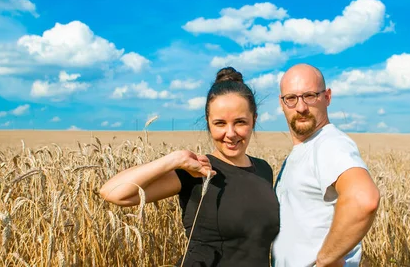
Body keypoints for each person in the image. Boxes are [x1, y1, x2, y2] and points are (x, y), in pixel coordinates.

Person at [100, 67, 280, 267]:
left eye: (240, 122)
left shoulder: (264, 169)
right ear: (208, 123)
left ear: (254, 120)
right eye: (220, 123)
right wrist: (174, 160)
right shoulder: (196, 171)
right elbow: (113, 193)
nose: (230, 133)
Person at [272, 63, 380, 267]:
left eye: (310, 95)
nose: (301, 107)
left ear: (327, 97)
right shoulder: (306, 148)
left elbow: (364, 199)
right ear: (282, 103)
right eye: (292, 98)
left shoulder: (329, 143)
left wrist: (323, 261)